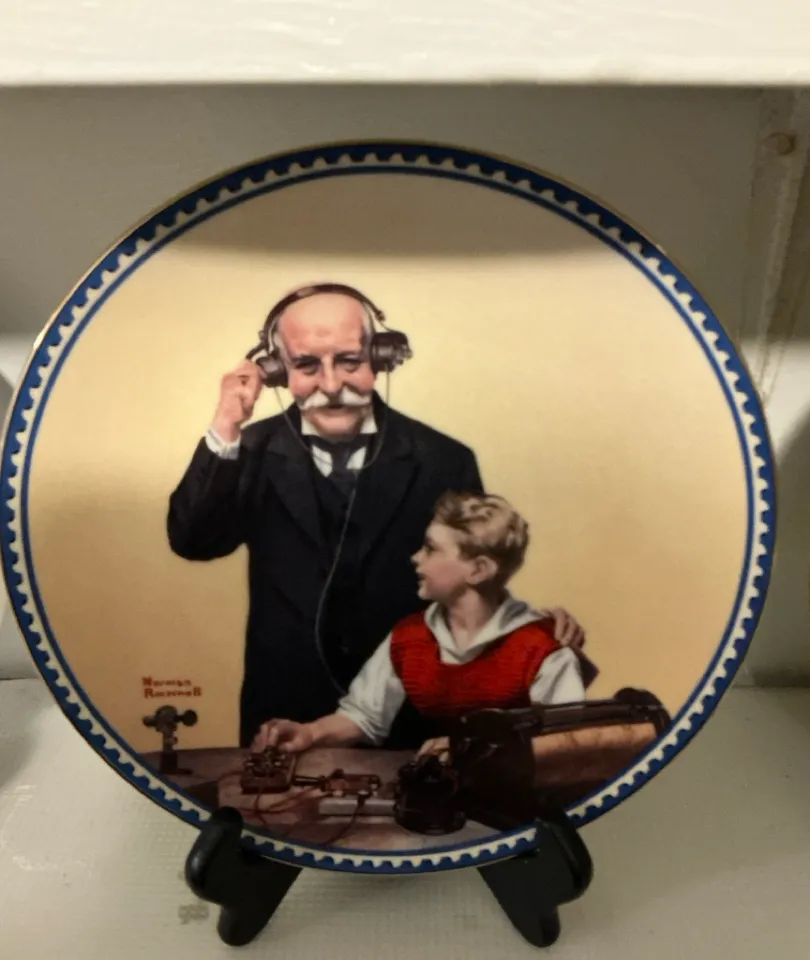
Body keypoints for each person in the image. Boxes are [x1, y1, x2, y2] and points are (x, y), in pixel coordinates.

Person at [167, 283, 586, 748]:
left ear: (382, 357)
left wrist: (530, 627)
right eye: (307, 365)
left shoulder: (445, 459)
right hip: (284, 713)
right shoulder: (245, 450)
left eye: (350, 361)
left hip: (414, 720)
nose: (331, 386)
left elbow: (472, 571)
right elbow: (193, 541)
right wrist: (226, 424)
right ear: (277, 371)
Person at [252, 491, 594, 755]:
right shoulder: (410, 636)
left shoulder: (542, 648)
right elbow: (365, 717)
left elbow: (565, 744)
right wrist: (310, 733)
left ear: (478, 570)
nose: (416, 557)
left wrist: (466, 752)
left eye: (431, 549)